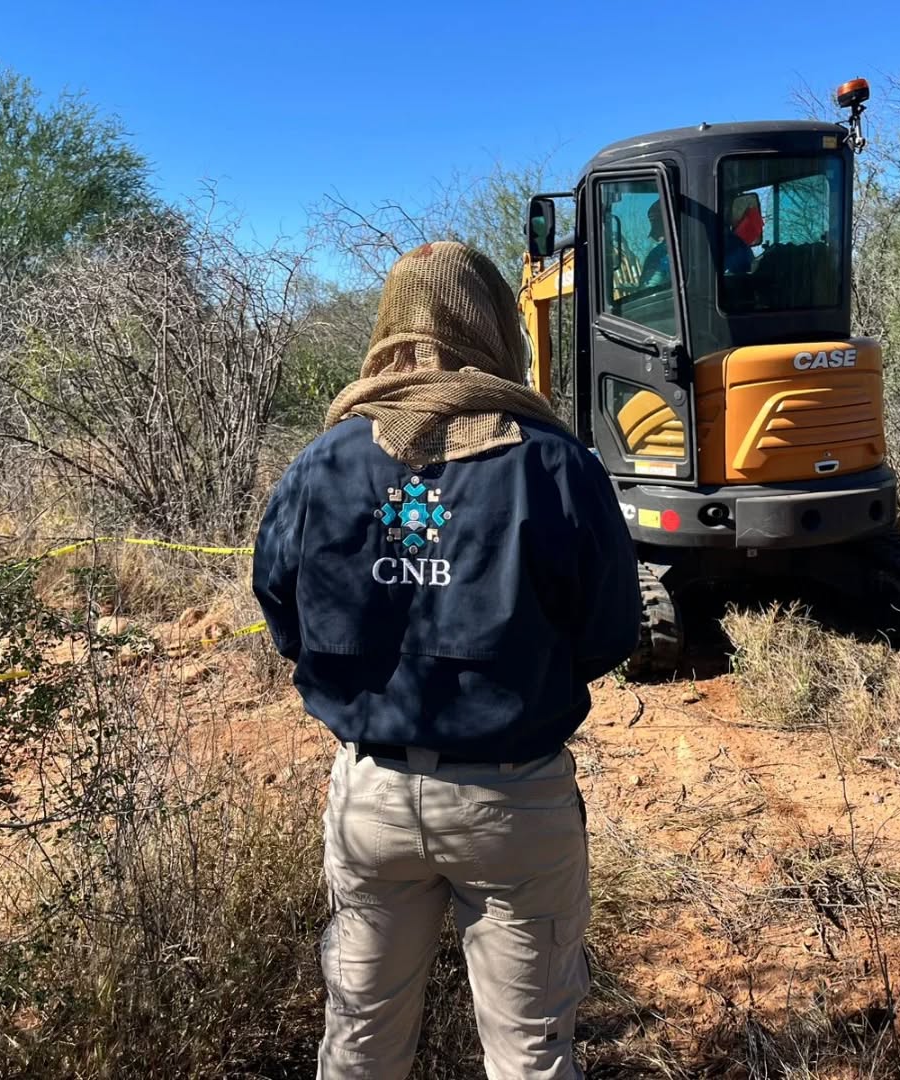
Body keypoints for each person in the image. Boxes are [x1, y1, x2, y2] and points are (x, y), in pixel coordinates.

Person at [253, 241, 641, 1080]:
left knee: (358, 1044)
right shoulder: (555, 462)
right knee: (531, 1053)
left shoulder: (324, 462)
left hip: (372, 800)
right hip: (514, 801)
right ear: (495, 322)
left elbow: (281, 606)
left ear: (391, 324)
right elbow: (611, 630)